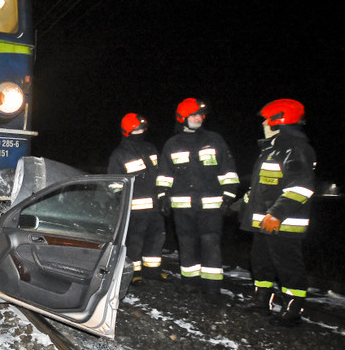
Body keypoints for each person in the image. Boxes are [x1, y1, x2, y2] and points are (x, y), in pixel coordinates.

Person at [239, 99, 315, 326]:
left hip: (282, 223)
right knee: (261, 262)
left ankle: (293, 311)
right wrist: (245, 203)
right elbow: (265, 186)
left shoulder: (297, 149)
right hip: (264, 222)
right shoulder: (272, 149)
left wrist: (276, 214)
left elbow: (301, 187)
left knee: (288, 266)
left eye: (266, 119)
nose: (263, 122)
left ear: (278, 121)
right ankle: (262, 301)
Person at [156, 98, 240, 304]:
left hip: (211, 207)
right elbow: (164, 174)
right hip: (182, 208)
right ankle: (189, 283)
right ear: (182, 118)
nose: (198, 118)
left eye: (201, 115)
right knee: (186, 244)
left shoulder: (215, 140)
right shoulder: (172, 144)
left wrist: (228, 197)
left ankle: (212, 288)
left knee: (210, 243)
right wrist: (162, 196)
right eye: (193, 115)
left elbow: (228, 171)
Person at [108, 113, 167, 285]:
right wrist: (122, 203)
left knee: (157, 238)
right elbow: (114, 185)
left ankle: (153, 271)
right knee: (135, 241)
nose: (141, 132)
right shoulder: (119, 155)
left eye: (142, 129)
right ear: (127, 131)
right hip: (135, 209)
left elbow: (162, 172)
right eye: (137, 129)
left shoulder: (150, 148)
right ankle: (133, 273)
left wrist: (164, 196)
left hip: (156, 207)